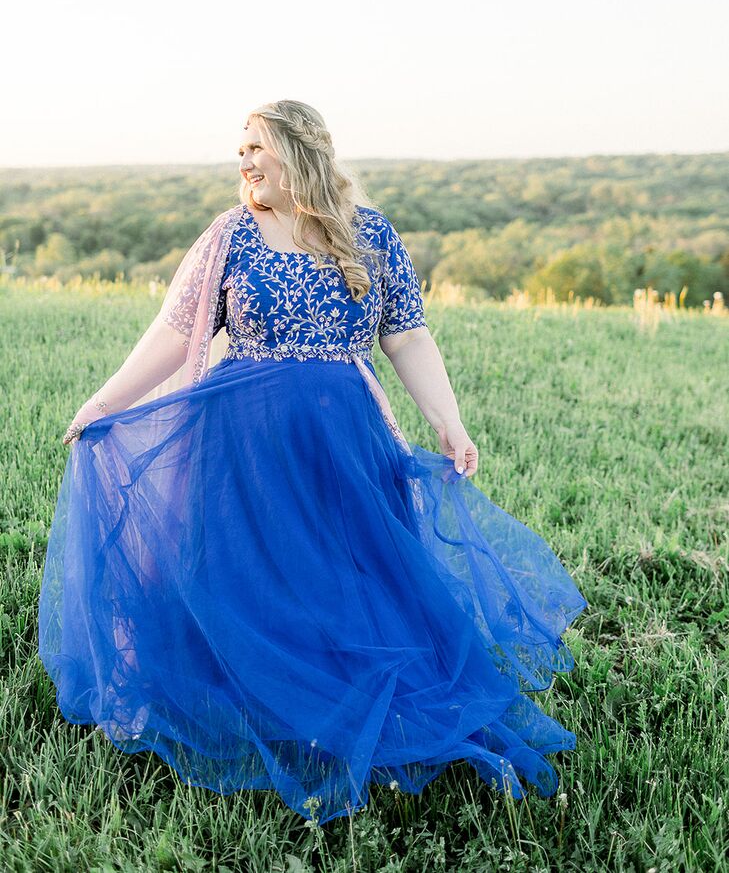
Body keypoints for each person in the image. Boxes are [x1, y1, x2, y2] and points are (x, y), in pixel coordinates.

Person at [39, 99, 587, 826]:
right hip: (240, 449)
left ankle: (345, 693)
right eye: (239, 149)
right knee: (250, 577)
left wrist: (447, 422)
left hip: (343, 446)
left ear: (299, 150)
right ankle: (255, 692)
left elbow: (408, 338)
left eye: (255, 146)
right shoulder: (230, 235)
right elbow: (171, 337)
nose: (242, 161)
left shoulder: (373, 236)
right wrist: (102, 403)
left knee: (349, 579)